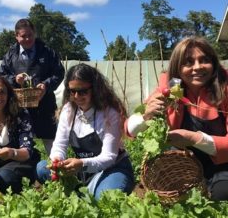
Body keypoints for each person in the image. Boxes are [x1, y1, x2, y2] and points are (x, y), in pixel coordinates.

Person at [126, 36, 228, 201]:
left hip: (222, 165)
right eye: (188, 62)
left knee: (222, 193)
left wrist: (193, 138)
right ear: (178, 68)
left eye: (204, 60)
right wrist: (146, 116)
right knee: (170, 197)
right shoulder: (169, 89)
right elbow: (130, 130)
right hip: (181, 166)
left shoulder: (225, 88)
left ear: (214, 63)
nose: (197, 67)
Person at [36, 63, 135, 200]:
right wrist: (57, 161)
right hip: (83, 171)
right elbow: (60, 144)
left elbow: (109, 157)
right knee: (42, 168)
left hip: (112, 169)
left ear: (94, 89)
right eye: (72, 91)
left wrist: (82, 164)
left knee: (105, 198)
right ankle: (82, 194)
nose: (76, 96)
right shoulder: (68, 111)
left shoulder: (109, 113)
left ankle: (83, 194)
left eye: (82, 91)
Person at [0, 18, 65, 155]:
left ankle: (57, 170)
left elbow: (59, 72)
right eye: (23, 36)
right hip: (19, 108)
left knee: (51, 142)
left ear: (35, 34)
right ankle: (26, 170)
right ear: (16, 36)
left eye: (30, 35)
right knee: (21, 141)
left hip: (45, 105)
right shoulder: (11, 55)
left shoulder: (47, 52)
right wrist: (14, 79)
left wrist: (46, 84)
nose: (27, 39)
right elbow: (0, 76)